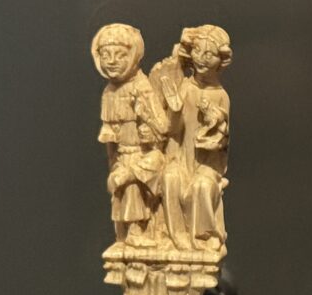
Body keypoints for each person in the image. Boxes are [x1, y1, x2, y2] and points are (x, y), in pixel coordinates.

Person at [92, 24, 169, 245]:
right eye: (105, 55)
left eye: (120, 55)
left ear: (133, 55)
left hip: (147, 155)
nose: (112, 61)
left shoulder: (141, 87)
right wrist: (114, 165)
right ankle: (123, 234)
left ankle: (136, 232)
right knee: (120, 178)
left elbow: (163, 127)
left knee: (132, 178)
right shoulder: (109, 92)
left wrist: (146, 117)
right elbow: (110, 141)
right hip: (123, 156)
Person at [158, 25, 232, 251]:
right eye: (197, 51)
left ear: (221, 60)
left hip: (207, 165)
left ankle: (204, 236)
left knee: (202, 185)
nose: (201, 58)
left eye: (209, 54)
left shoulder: (221, 96)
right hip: (182, 159)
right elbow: (172, 131)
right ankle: (177, 235)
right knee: (170, 178)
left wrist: (215, 125)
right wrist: (174, 109)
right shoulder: (185, 88)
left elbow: (222, 138)